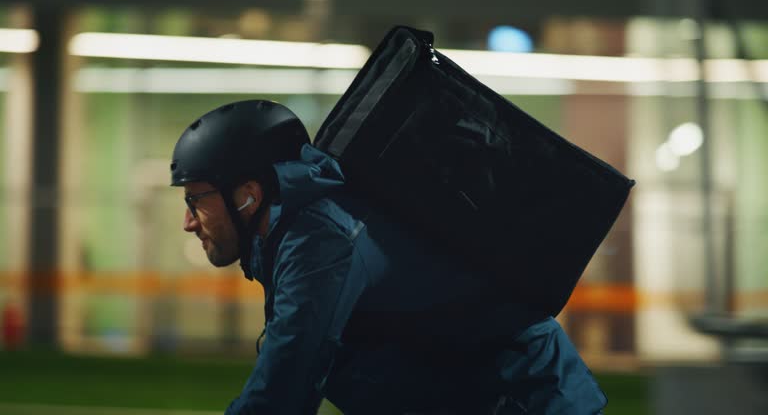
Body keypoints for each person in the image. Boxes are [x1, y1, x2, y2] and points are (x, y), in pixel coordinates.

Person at [170, 99, 607, 414]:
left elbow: (288, 380)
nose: (190, 222)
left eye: (196, 200)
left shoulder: (321, 237)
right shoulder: (295, 232)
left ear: (248, 196)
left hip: (525, 401)